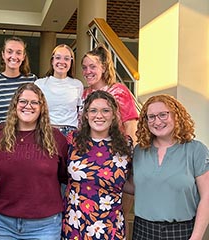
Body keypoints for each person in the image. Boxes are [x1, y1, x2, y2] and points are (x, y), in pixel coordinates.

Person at [0, 83, 68, 239]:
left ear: (42, 107)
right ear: (15, 104)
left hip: (45, 225)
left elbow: (64, 176)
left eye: (34, 102)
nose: (28, 106)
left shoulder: (57, 139)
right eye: (23, 101)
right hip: (3, 223)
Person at [130, 94, 209, 240]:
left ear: (176, 116)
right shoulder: (139, 151)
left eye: (163, 115)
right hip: (143, 231)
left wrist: (196, 237)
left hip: (182, 231)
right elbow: (133, 186)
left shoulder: (196, 150)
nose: (157, 121)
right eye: (151, 117)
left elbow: (207, 197)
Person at [81, 43, 138, 234]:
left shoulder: (119, 91)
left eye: (93, 67)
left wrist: (131, 159)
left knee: (116, 215)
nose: (88, 71)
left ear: (104, 68)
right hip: (90, 161)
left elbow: (131, 125)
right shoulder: (84, 93)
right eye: (85, 67)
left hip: (116, 160)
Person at [62, 90, 133, 240]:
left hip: (110, 226)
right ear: (86, 114)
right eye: (93, 110)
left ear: (113, 115)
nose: (99, 116)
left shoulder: (126, 145)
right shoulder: (72, 141)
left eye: (105, 111)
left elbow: (131, 182)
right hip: (75, 225)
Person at [0, 36, 37, 126]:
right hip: (0, 135)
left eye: (18, 53)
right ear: (3, 55)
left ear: (23, 57)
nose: (14, 56)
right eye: (9, 52)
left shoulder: (33, 80)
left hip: (27, 135)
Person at [35, 44, 83, 136]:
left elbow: (80, 113)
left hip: (71, 133)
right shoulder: (39, 84)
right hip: (46, 131)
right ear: (52, 61)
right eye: (58, 57)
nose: (62, 62)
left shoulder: (77, 85)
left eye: (66, 58)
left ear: (71, 62)